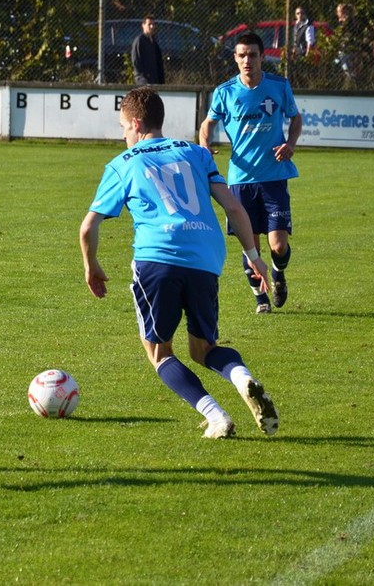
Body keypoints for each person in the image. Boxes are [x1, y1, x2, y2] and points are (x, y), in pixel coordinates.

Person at [80, 86, 279, 439]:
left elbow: (88, 226)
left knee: (159, 353)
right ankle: (241, 376)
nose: (124, 135)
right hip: (205, 259)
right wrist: (254, 257)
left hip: (157, 259)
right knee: (204, 349)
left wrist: (91, 265)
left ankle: (217, 417)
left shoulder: (122, 164)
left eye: (124, 127)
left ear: (137, 124)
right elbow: (233, 207)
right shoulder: (197, 153)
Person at [199, 32, 302, 315]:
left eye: (252, 55)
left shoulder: (278, 86)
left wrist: (290, 144)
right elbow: (207, 124)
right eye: (242, 55)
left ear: (261, 57)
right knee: (250, 246)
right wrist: (205, 146)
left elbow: (296, 117)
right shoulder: (225, 92)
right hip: (241, 180)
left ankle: (278, 274)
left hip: (274, 177)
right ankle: (261, 299)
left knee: (278, 245)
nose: (247, 60)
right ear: (235, 58)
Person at [131, 16, 165, 85]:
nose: (152, 26)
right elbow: (136, 61)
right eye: (149, 24)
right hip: (144, 81)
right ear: (143, 25)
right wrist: (142, 79)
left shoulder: (154, 42)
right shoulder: (139, 40)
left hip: (155, 80)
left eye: (153, 24)